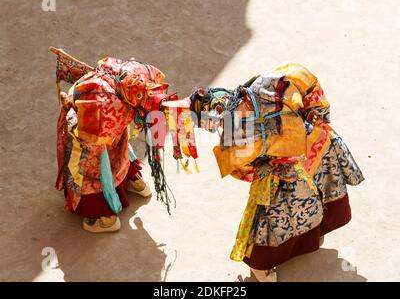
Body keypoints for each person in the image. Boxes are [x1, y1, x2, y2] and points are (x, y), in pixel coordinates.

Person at [189, 62, 364, 281]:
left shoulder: (231, 132)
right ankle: (313, 236)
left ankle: (261, 267)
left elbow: (241, 169)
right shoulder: (264, 84)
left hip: (285, 171)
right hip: (317, 148)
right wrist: (318, 117)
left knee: (271, 221)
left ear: (213, 112)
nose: (209, 128)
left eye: (205, 123)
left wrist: (263, 170)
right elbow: (305, 78)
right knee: (319, 197)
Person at [53, 52, 172, 233]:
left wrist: (68, 108)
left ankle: (105, 217)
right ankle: (134, 181)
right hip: (117, 117)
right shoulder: (145, 73)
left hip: (99, 123)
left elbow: (84, 137)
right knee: (118, 143)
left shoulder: (105, 102)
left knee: (89, 160)